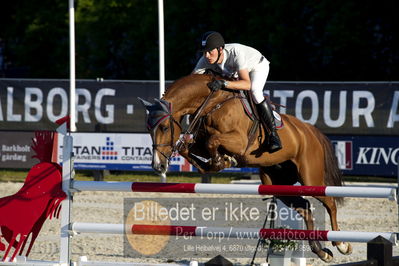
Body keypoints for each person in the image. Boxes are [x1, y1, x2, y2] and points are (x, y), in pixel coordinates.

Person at [192, 31, 282, 153]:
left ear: (220, 49)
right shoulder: (205, 60)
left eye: (210, 51)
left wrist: (224, 83)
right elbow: (192, 80)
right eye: (204, 52)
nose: (207, 55)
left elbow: (246, 83)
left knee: (255, 92)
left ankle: (273, 135)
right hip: (236, 72)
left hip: (257, 66)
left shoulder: (235, 53)